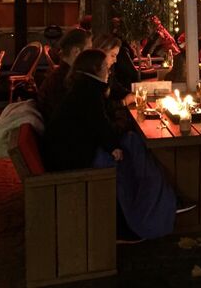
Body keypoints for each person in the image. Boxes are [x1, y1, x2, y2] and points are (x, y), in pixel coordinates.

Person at [42, 49, 186, 240]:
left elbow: (98, 122)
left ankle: (159, 204)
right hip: (74, 157)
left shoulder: (84, 86)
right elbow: (99, 124)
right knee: (127, 160)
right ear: (96, 68)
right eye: (106, 66)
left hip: (72, 149)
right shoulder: (88, 91)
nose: (109, 70)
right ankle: (140, 220)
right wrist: (113, 146)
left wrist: (115, 138)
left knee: (132, 143)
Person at [36, 27, 90, 122]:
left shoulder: (60, 74)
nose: (91, 55)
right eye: (88, 50)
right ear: (76, 51)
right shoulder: (66, 80)